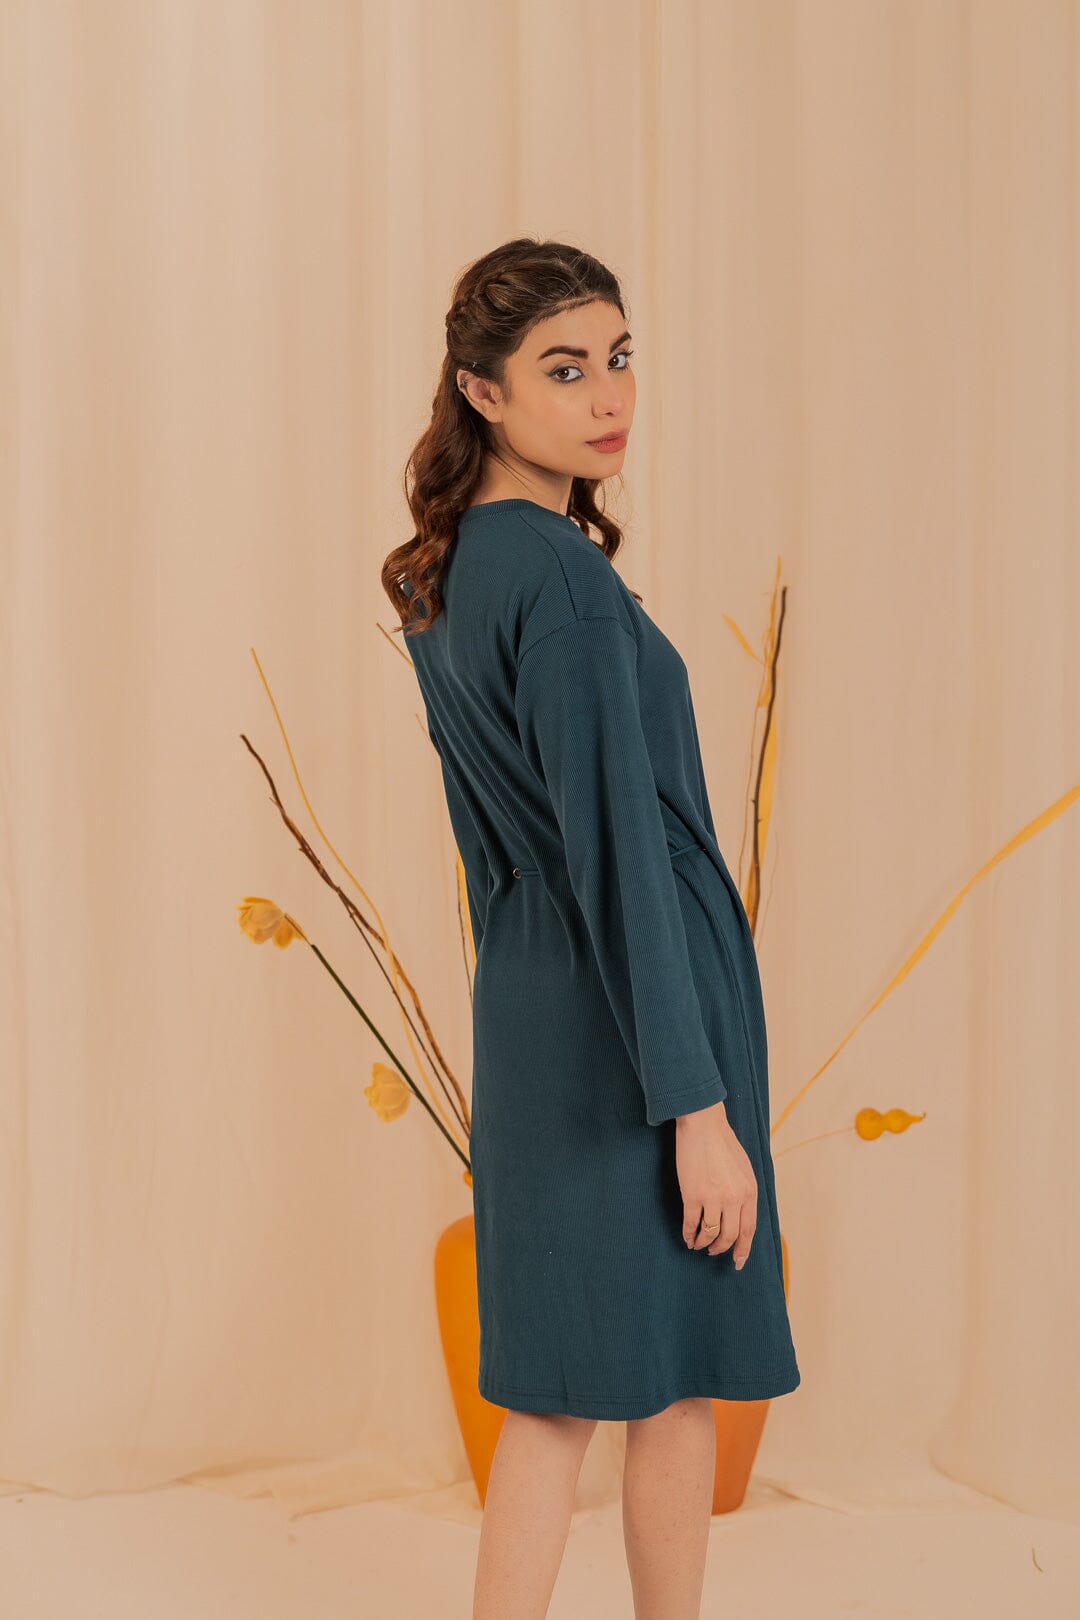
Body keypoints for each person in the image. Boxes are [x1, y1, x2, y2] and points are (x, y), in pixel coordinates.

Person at [381, 237, 800, 1620]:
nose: (609, 395)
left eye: (619, 358)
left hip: (535, 1004)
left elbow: (497, 849)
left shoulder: (454, 570)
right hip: (639, 1019)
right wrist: (696, 1104)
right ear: (482, 392)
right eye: (563, 369)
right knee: (666, 1378)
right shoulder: (561, 580)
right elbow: (619, 854)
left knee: (568, 1392)